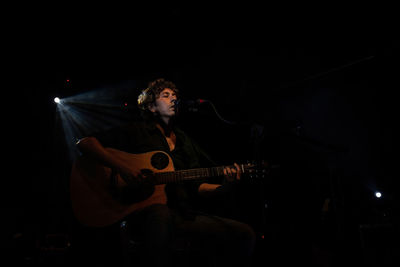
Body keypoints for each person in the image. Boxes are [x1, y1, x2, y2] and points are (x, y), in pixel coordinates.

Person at [75, 78, 256, 267]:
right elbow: (85, 143)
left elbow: (197, 187)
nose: (173, 99)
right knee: (160, 213)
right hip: (142, 215)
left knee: (244, 234)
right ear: (152, 107)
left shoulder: (185, 141)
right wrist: (124, 169)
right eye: (166, 95)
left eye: (175, 95)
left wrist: (226, 186)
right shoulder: (137, 131)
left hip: (181, 216)